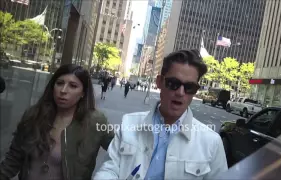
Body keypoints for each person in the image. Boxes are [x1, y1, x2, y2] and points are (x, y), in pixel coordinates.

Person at [93, 49, 228, 180]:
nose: (181, 92)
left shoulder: (212, 142)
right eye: (173, 83)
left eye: (189, 87)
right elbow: (110, 168)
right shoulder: (129, 123)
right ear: (159, 82)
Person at [0, 64, 114, 180]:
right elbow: (13, 160)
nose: (63, 91)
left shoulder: (95, 121)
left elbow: (120, 150)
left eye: (73, 86)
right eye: (59, 83)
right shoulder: (34, 115)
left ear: (83, 93)